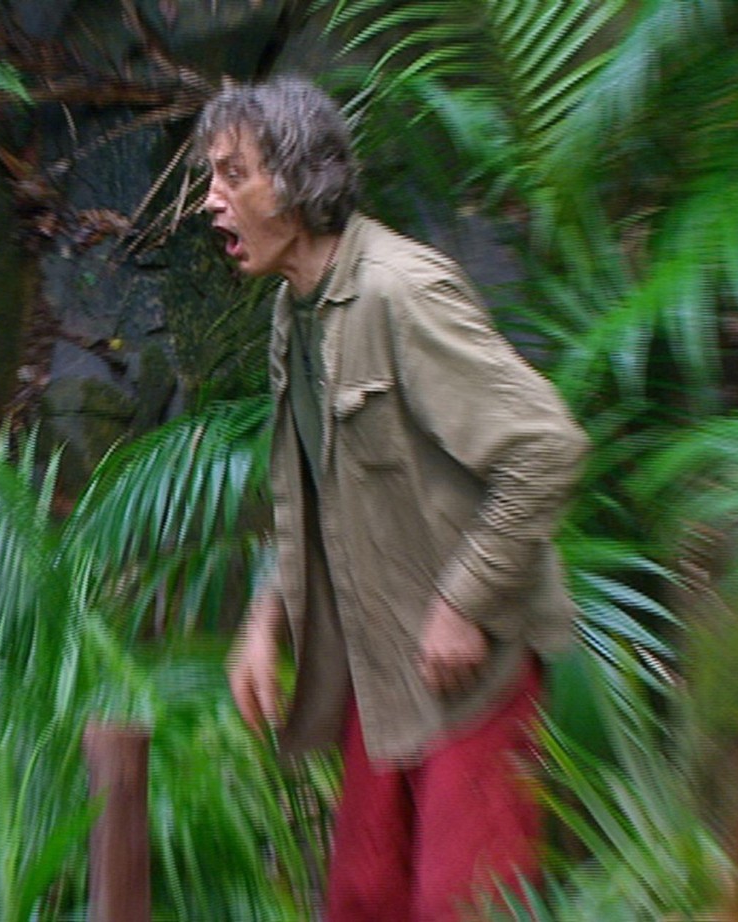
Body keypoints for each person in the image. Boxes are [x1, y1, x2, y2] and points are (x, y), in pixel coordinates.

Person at [201, 77, 589, 921]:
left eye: (233, 175)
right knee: (363, 899)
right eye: (211, 177)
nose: (210, 200)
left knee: (465, 906)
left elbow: (547, 447)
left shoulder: (400, 291)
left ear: (295, 182)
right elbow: (310, 498)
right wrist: (263, 626)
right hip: (382, 678)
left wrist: (464, 602)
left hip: (472, 677)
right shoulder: (293, 312)